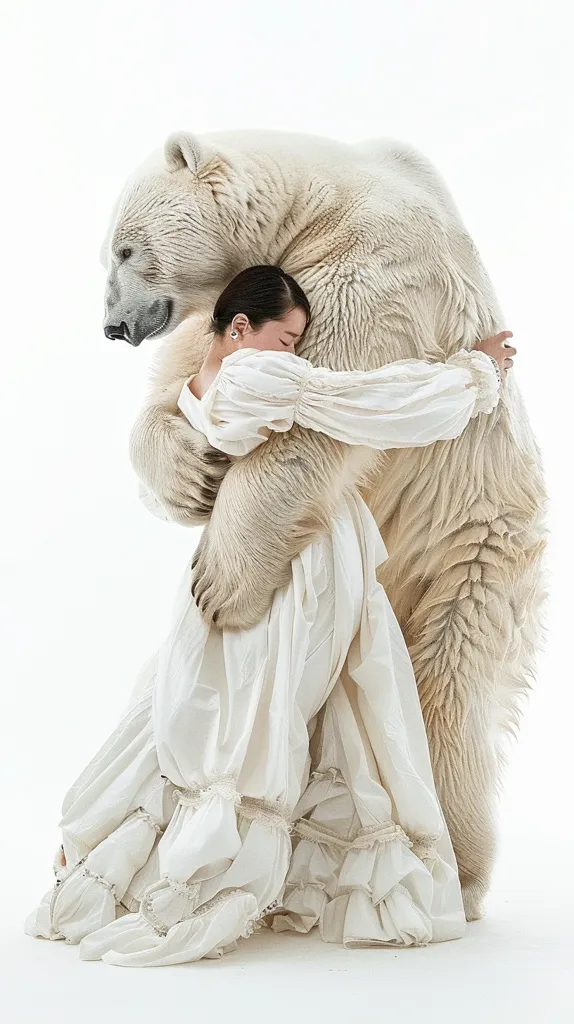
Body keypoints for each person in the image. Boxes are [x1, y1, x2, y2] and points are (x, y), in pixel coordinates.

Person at [25, 266, 516, 967]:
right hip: (298, 559)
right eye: (287, 338)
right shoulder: (258, 378)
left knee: (195, 701)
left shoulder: (199, 389)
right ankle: (162, 857)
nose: (295, 354)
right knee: (275, 707)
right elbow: (370, 402)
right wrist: (475, 373)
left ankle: (102, 843)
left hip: (245, 546)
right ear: (238, 329)